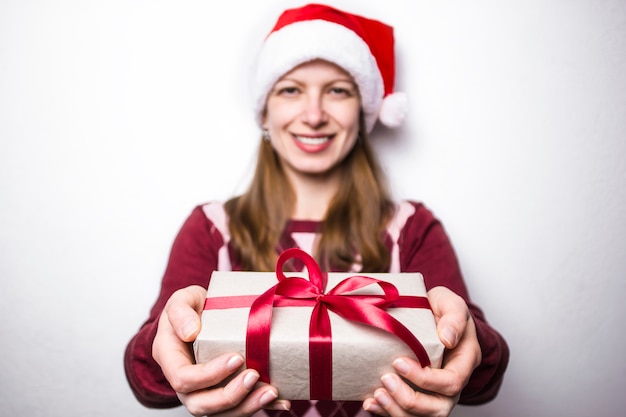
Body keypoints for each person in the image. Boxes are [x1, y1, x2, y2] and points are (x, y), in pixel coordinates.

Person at [124, 3, 509, 417]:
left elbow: (485, 372)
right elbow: (145, 377)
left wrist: (467, 337)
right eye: (290, 89)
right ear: (265, 111)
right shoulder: (213, 229)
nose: (313, 115)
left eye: (338, 90)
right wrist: (166, 340)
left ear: (363, 113)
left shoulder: (410, 229)